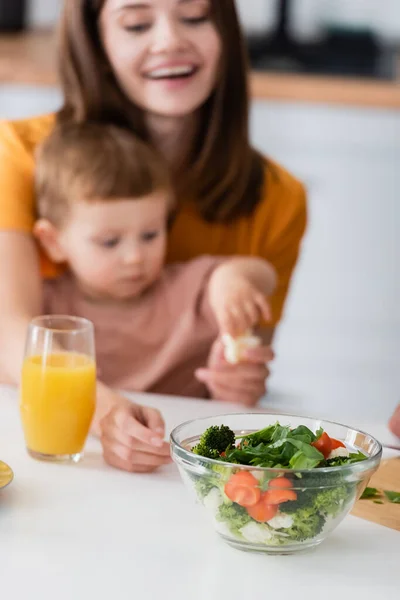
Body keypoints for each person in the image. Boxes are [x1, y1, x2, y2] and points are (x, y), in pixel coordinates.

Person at [0, 0, 307, 473]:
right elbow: (9, 331)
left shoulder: (277, 198)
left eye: (195, 16)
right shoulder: (18, 156)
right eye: (137, 23)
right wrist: (107, 415)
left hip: (172, 460)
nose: (169, 40)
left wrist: (238, 382)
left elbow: (239, 364)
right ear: (99, 46)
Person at [34, 122, 276, 406]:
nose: (135, 256)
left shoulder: (189, 291)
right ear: (53, 241)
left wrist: (231, 281)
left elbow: (264, 274)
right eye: (110, 242)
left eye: (150, 235)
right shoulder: (43, 310)